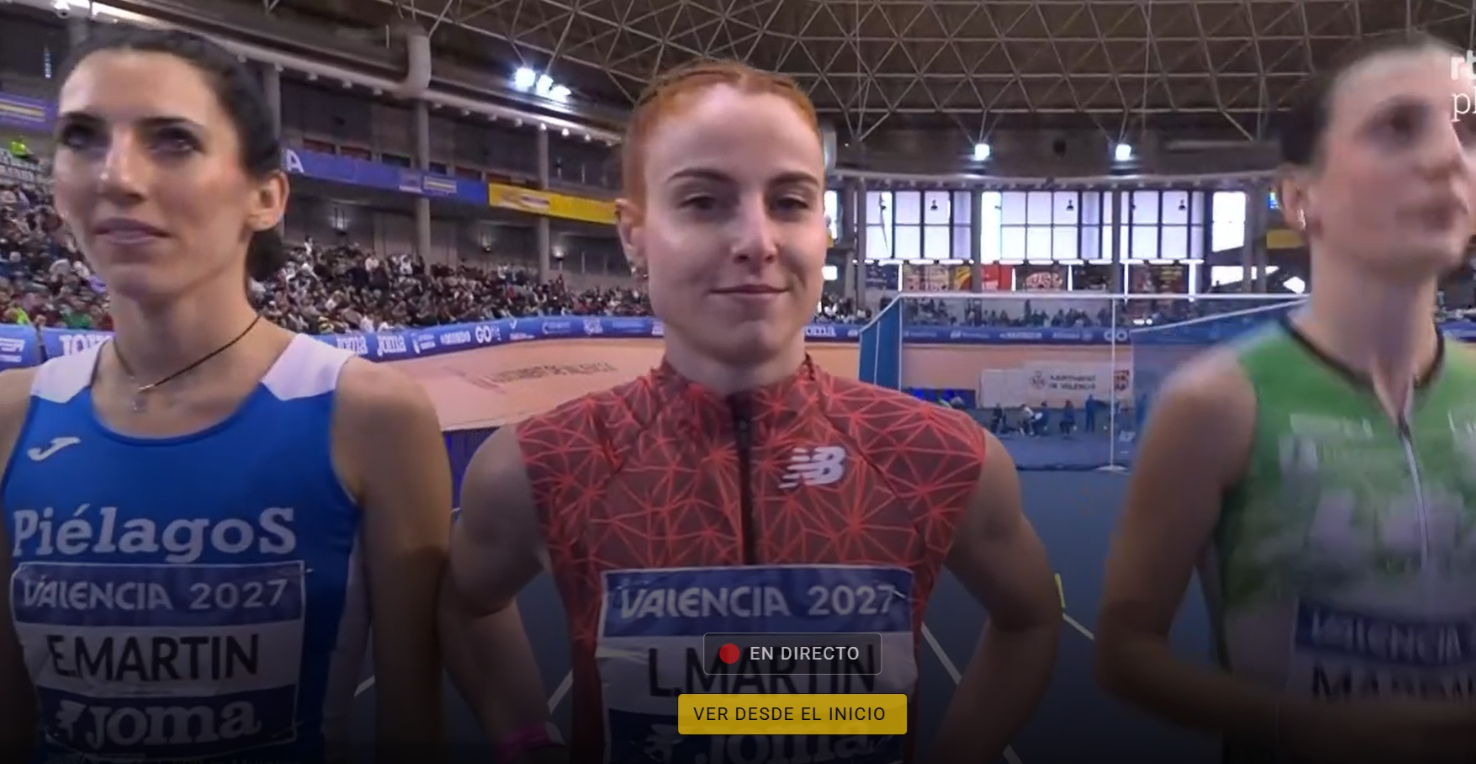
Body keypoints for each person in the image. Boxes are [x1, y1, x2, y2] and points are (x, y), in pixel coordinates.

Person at [440, 59, 1061, 764]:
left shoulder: (941, 458)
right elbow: (468, 605)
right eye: (704, 202)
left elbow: (1032, 618)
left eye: (791, 202)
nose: (758, 241)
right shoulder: (538, 468)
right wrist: (525, 740)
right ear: (633, 233)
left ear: (824, 228)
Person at [1095, 33, 1476, 764]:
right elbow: (1125, 649)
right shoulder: (1215, 407)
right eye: (1398, 125)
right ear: (1301, 196)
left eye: (1472, 130)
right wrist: (1294, 723)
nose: (1449, 156)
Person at [0, 28, 452, 763]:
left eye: (172, 140)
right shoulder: (10, 417)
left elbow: (412, 724)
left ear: (266, 196)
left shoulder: (373, 415)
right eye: (82, 137)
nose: (116, 176)